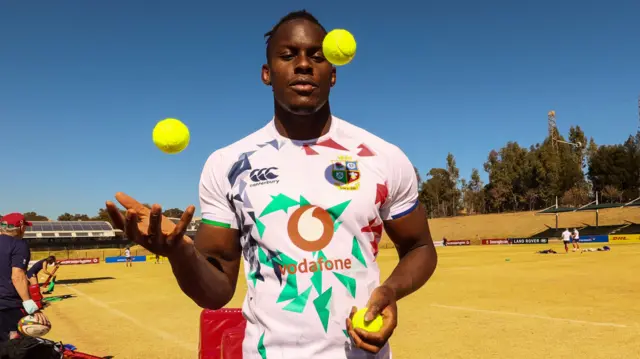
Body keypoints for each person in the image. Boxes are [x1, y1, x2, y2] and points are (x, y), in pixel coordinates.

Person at [105, 10, 437, 359]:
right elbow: (216, 292)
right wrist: (180, 252)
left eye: (317, 56)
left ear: (333, 73)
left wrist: (391, 291)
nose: (304, 64)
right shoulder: (228, 164)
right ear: (267, 73)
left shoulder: (382, 157)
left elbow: (419, 247)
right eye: (288, 55)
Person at [0, 213, 49, 342]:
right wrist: (31, 307)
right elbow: (18, 276)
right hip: (8, 306)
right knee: (15, 346)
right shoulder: (19, 244)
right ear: (21, 227)